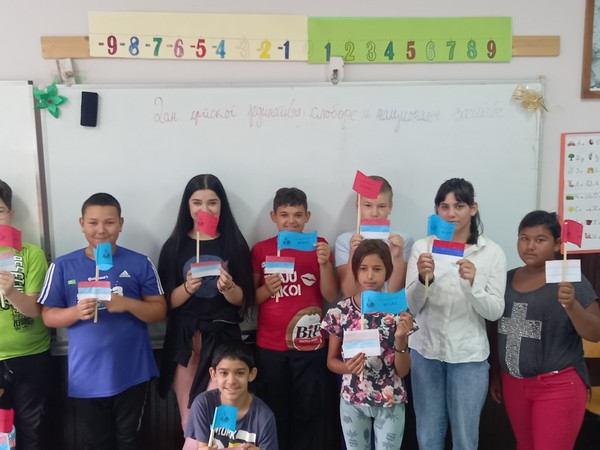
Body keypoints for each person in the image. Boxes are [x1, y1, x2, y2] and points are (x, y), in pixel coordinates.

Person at [38, 192, 167, 450]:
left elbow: (159, 311)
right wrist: (76, 312)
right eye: (93, 222)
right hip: (86, 375)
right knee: (96, 443)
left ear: (120, 223)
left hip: (133, 371)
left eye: (109, 222)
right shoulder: (62, 266)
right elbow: (48, 316)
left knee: (129, 441)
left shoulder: (140, 262)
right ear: (82, 224)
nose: (101, 230)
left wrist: (126, 304)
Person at [406, 177, 506, 450]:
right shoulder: (423, 248)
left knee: (465, 437)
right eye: (444, 206)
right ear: (437, 210)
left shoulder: (491, 253)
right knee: (428, 436)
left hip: (468, 357)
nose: (451, 213)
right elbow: (412, 307)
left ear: (473, 208)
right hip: (426, 353)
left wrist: (473, 285)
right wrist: (423, 280)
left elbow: (495, 312)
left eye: (459, 206)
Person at [488, 210, 600, 450]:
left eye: (540, 240)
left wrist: (572, 305)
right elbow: (498, 330)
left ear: (557, 244)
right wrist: (497, 372)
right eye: (524, 238)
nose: (530, 246)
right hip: (514, 385)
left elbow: (595, 332)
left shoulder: (570, 278)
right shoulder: (505, 279)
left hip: (558, 386)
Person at [157, 174, 254, 442]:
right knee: (189, 418)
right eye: (197, 202)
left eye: (212, 202)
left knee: (222, 415)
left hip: (223, 339)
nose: (205, 209)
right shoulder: (174, 246)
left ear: (222, 205)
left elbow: (244, 299)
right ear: (187, 206)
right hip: (185, 340)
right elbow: (165, 303)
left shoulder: (234, 244)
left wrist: (229, 288)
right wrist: (187, 288)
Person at [251, 187, 338, 450]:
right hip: (270, 346)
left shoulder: (319, 246)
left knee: (307, 414)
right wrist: (267, 290)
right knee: (275, 412)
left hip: (310, 346)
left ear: (307, 216)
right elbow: (251, 299)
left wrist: (324, 264)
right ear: (273, 216)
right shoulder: (261, 249)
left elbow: (330, 295)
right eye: (285, 215)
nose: (291, 221)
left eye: (298, 215)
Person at [322, 239, 413, 450]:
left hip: (390, 399)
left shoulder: (397, 312)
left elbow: (403, 370)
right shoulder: (341, 311)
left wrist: (400, 340)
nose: (370, 275)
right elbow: (331, 361)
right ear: (355, 271)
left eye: (377, 269)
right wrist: (347, 367)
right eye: (363, 268)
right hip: (353, 399)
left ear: (387, 271)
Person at [0, 179, 51, 450]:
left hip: (30, 355)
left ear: (11, 213)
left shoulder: (31, 253)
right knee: (2, 434)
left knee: (34, 430)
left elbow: (34, 310)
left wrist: (11, 292)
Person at [185, 341, 278, 450]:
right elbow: (200, 446)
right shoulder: (203, 404)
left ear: (251, 374)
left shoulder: (264, 417)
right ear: (213, 374)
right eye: (224, 373)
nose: (231, 381)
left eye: (240, 373)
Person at [335, 175, 413, 297]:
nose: (374, 213)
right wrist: (352, 254)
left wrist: (398, 257)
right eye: (368, 205)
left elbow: (394, 292)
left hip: (387, 306)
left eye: (381, 206)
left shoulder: (402, 241)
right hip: (356, 306)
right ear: (358, 206)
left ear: (390, 207)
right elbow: (349, 292)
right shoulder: (345, 240)